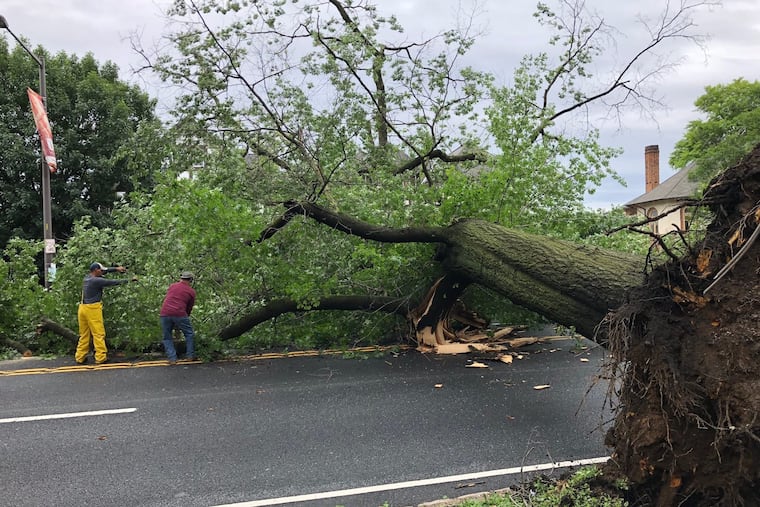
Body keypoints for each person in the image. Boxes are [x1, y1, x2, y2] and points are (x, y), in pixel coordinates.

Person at [76, 262, 136, 365]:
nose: (103, 271)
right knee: (98, 333)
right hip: (92, 309)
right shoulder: (97, 281)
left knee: (84, 334)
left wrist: (116, 269)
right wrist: (130, 280)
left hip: (82, 308)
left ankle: (80, 357)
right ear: (96, 270)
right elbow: (113, 282)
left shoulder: (87, 278)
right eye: (101, 270)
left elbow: (106, 270)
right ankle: (100, 357)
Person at [159, 271, 197, 363]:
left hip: (165, 313)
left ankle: (172, 358)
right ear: (190, 280)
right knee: (189, 334)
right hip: (179, 313)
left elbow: (169, 298)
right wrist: (185, 316)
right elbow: (189, 307)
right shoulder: (191, 292)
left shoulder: (172, 286)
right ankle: (190, 355)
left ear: (181, 278)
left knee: (167, 336)